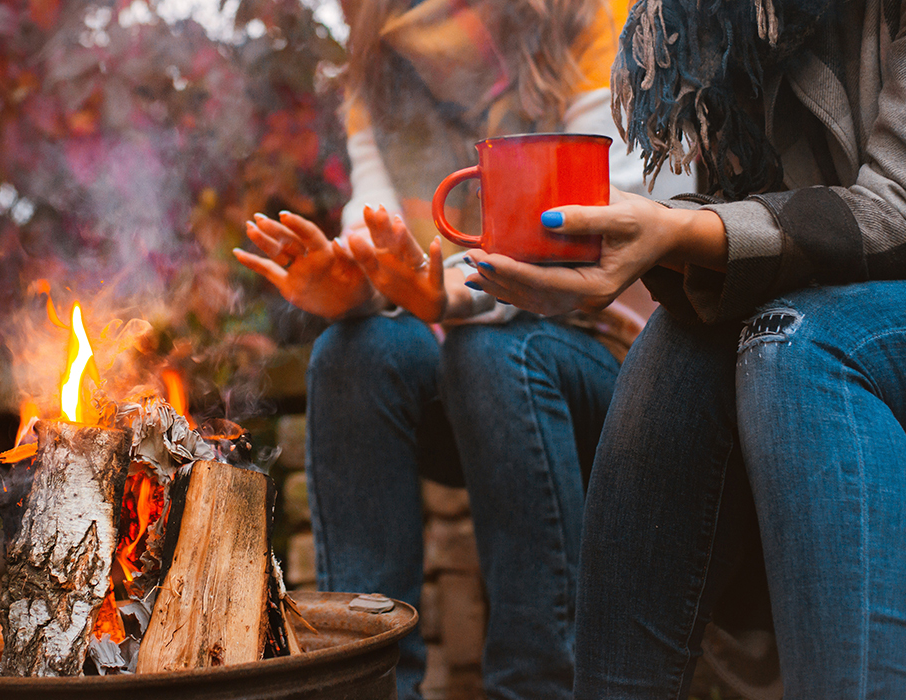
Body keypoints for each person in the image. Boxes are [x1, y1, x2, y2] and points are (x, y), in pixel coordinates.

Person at [453, 0, 906, 695]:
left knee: (800, 344)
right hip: (827, 320)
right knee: (685, 338)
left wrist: (675, 234)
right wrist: (651, 244)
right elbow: (758, 230)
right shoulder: (727, 22)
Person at [234, 0, 691, 697]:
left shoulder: (599, 20)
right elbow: (384, 240)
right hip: (475, 376)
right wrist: (353, 289)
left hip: (620, 371)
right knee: (353, 350)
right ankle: (365, 683)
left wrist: (451, 297)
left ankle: (541, 686)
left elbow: (616, 227)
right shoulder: (379, 60)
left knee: (494, 351)